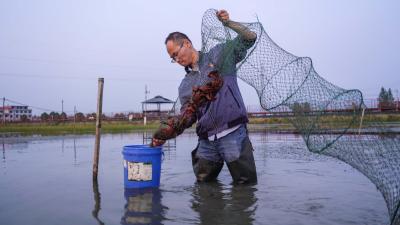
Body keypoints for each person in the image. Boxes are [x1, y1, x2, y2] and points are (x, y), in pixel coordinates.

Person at [152, 10, 257, 184]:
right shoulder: (185, 85)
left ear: (186, 43)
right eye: (172, 58)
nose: (176, 60)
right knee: (203, 187)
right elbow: (187, 117)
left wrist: (229, 23)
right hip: (207, 141)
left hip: (233, 133)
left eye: (176, 54)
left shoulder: (219, 54)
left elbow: (249, 38)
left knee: (245, 187)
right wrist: (164, 134)